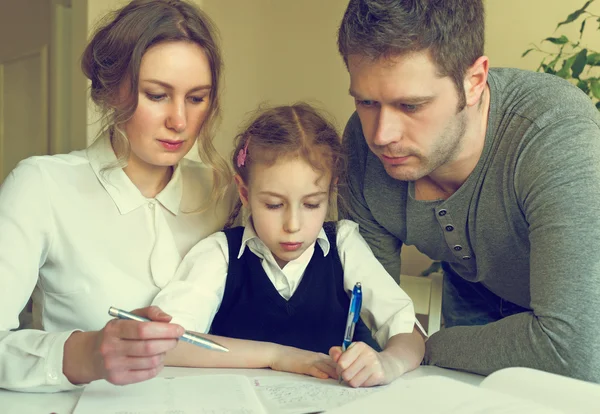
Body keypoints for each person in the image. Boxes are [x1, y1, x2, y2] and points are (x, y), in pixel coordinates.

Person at [336, 0, 600, 382]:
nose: (381, 135)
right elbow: (369, 319)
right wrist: (392, 352)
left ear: (474, 81)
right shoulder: (362, 148)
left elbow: (573, 350)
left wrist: (424, 349)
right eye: (366, 101)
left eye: (411, 105)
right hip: (473, 292)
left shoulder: (555, 133)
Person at [0, 0, 236, 392]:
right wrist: (86, 353)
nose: (179, 120)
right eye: (157, 95)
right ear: (112, 92)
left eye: (196, 98)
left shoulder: (223, 192)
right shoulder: (40, 186)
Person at [152, 103, 425, 388]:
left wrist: (388, 362)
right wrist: (276, 355)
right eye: (273, 204)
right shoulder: (220, 255)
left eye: (311, 204)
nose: (293, 225)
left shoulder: (344, 246)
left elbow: (411, 335)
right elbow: (165, 342)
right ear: (244, 193)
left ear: (331, 191)